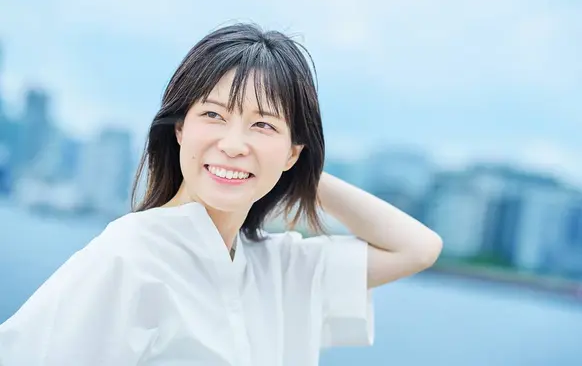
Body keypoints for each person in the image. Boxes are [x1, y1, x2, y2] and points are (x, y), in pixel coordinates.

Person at [0, 23, 443, 365]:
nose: (233, 143)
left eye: (262, 124)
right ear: (180, 129)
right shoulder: (131, 255)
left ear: (293, 152)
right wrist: (266, 154)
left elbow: (418, 248)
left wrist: (299, 171)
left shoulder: (280, 266)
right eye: (213, 114)